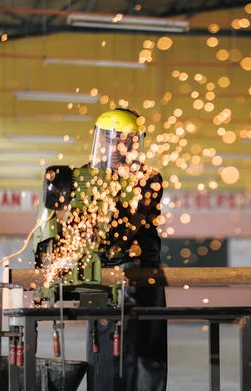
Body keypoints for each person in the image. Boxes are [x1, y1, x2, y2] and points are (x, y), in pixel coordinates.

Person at [84, 108, 167, 391]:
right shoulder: (85, 177)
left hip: (142, 274)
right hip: (101, 276)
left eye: (126, 140)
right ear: (100, 141)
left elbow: (129, 226)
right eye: (112, 140)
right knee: (103, 352)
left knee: (146, 354)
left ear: (136, 143)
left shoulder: (149, 179)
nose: (118, 147)